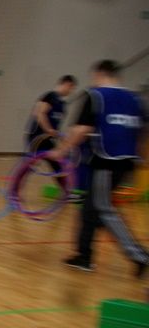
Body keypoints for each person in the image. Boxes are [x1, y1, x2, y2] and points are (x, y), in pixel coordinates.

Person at [49, 60, 149, 276]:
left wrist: (61, 151)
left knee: (103, 209)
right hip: (126, 163)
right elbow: (144, 130)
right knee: (89, 208)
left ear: (99, 74)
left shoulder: (96, 96)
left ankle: (140, 256)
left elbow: (81, 130)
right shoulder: (136, 99)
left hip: (106, 162)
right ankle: (83, 256)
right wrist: (142, 155)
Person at [25, 74, 77, 197]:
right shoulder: (50, 96)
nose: (71, 91)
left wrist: (59, 136)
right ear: (66, 84)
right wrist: (48, 129)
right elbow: (40, 114)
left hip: (47, 140)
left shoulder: (63, 105)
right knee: (30, 165)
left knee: (58, 163)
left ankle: (66, 192)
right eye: (71, 88)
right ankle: (15, 190)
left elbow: (55, 127)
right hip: (36, 138)